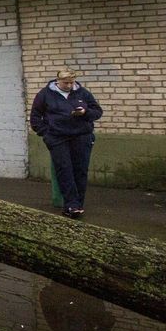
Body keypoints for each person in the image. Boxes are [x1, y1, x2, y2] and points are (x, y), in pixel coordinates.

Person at [30, 70, 103, 219]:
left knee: (80, 171)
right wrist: (47, 134)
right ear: (58, 81)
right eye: (66, 83)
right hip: (58, 138)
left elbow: (97, 112)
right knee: (64, 170)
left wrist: (85, 112)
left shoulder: (83, 93)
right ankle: (71, 205)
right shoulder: (44, 94)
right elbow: (35, 117)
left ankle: (78, 205)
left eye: (72, 82)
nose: (69, 85)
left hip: (82, 136)